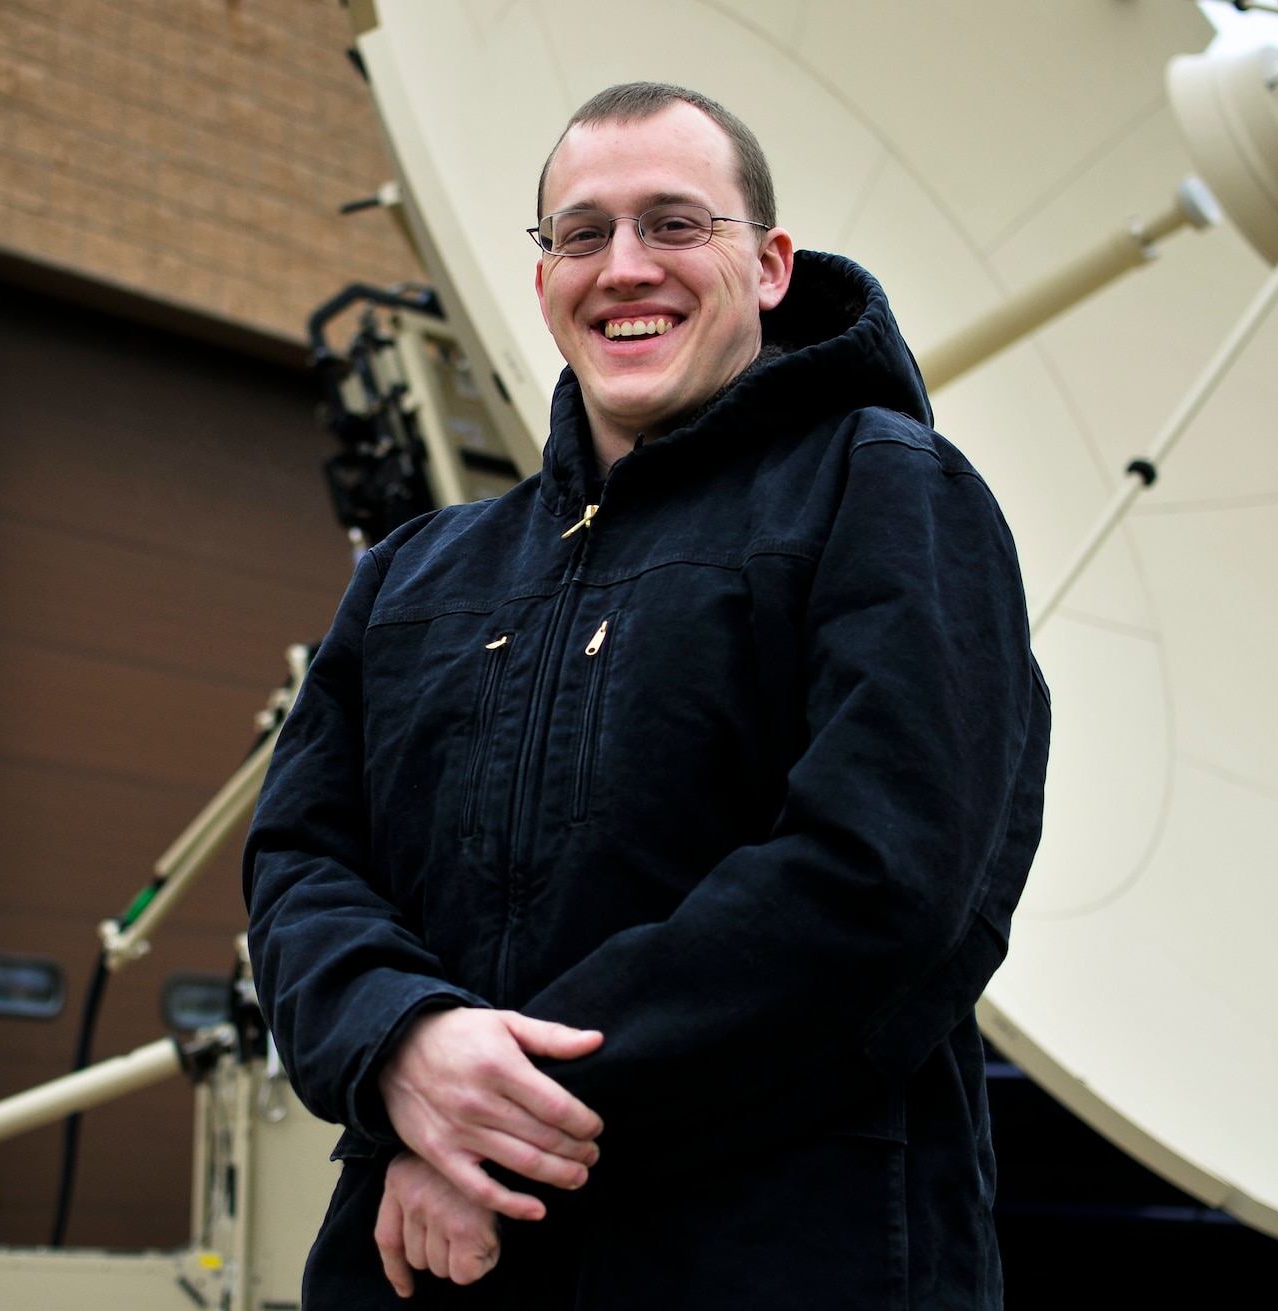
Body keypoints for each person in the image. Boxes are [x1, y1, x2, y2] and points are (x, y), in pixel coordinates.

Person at [244, 81, 1048, 1309]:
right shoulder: (416, 571)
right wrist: (403, 1045)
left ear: (770, 266)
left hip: (766, 1262)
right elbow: (300, 862)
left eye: (675, 225)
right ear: (543, 278)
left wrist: (490, 1124)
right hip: (424, 1272)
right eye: (582, 234)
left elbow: (874, 883)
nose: (624, 267)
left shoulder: (886, 494)